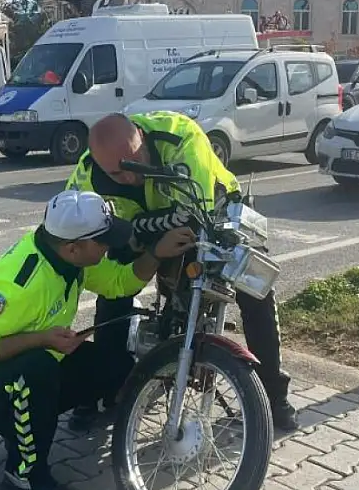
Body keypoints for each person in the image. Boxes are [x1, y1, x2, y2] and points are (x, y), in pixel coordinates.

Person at [0, 190, 196, 490]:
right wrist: (42, 339)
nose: (108, 247)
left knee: (114, 366)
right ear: (74, 247)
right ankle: (23, 477)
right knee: (37, 369)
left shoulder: (68, 257)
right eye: (101, 241)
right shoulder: (19, 285)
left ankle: (26, 428)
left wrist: (157, 253)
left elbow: (119, 283)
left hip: (20, 366)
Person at [65, 111, 298, 433]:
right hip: (146, 226)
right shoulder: (88, 170)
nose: (129, 178)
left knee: (253, 282)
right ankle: (107, 387)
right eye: (116, 175)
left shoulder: (180, 137)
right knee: (113, 288)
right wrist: (135, 237)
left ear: (142, 140)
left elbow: (193, 214)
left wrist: (134, 229)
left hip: (211, 211)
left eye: (135, 164)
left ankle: (274, 396)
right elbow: (75, 225)